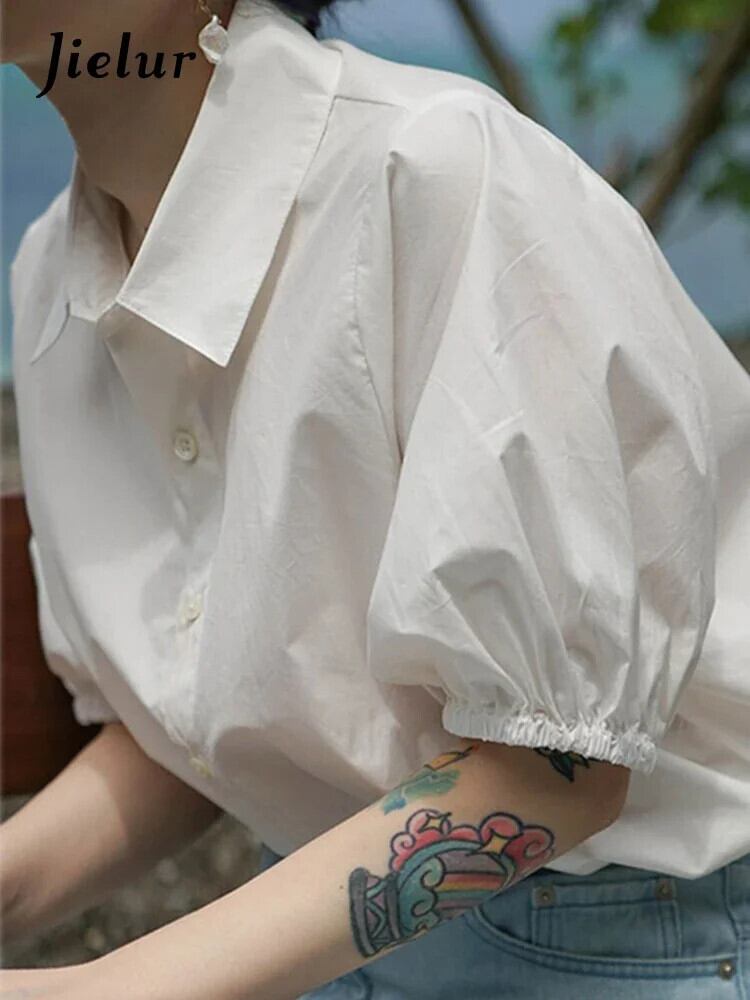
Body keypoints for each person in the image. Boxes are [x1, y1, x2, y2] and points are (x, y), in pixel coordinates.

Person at [1, 0, 748, 996]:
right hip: (313, 934)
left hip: (631, 938)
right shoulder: (53, 278)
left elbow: (548, 776)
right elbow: (193, 731)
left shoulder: (440, 174)